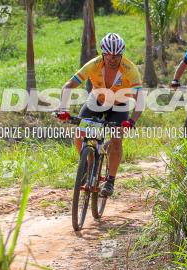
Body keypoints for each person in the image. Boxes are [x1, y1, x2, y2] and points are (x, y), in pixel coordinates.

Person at [55, 33, 142, 198]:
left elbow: (140, 100)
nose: (112, 58)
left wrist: (132, 120)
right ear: (103, 53)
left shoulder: (130, 70)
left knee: (116, 140)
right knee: (80, 133)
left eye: (116, 55)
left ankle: (110, 181)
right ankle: (86, 166)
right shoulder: (93, 64)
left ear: (121, 55)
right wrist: (62, 108)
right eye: (109, 54)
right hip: (96, 101)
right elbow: (69, 85)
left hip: (119, 105)